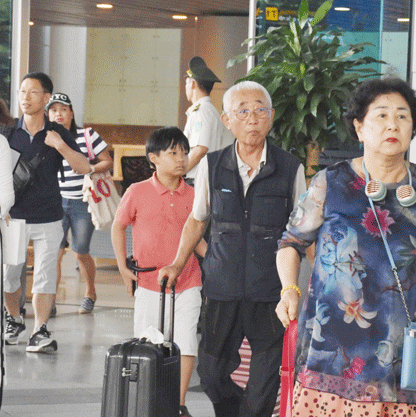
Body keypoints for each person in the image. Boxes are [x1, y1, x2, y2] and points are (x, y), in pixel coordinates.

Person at [275, 77, 416, 416]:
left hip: (398, 351)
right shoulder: (331, 182)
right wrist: (289, 289)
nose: (392, 125)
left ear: (413, 127)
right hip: (332, 348)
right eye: (381, 116)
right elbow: (291, 242)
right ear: (359, 127)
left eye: (402, 116)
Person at [159, 81, 306, 417]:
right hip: (222, 287)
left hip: (271, 292)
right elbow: (197, 221)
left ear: (270, 117)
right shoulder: (212, 165)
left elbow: (301, 232)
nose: (252, 117)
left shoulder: (290, 168)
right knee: (210, 374)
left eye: (259, 109)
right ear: (226, 120)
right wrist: (178, 263)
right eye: (242, 111)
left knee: (265, 380)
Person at [111, 127, 205, 417]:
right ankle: (147, 403)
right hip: (150, 283)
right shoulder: (137, 191)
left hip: (188, 281)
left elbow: (198, 239)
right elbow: (118, 226)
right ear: (154, 157)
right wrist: (123, 269)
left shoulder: (195, 194)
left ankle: (177, 405)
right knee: (149, 342)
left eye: (185, 152)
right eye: (173, 153)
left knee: (186, 342)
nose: (182, 159)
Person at [3, 72, 90, 353]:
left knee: (44, 275)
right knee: (10, 274)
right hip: (13, 216)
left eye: (32, 92)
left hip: (49, 216)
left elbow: (84, 167)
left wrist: (60, 145)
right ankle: (14, 319)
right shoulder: (7, 132)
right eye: (22, 92)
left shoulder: (58, 132)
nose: (25, 98)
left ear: (46, 97)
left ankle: (40, 330)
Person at [47, 93, 113, 314]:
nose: (59, 114)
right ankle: (51, 301)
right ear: (48, 114)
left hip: (82, 203)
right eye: (54, 110)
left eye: (63, 109)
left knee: (81, 252)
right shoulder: (45, 138)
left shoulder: (87, 135)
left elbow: (107, 161)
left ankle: (90, 292)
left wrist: (91, 169)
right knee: (54, 253)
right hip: (54, 204)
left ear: (71, 113)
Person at [183, 56, 231, 186]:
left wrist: (180, 172)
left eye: (186, 82)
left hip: (197, 181)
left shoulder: (202, 111)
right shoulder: (207, 110)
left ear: (193, 83)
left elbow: (200, 149)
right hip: (204, 179)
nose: (185, 87)